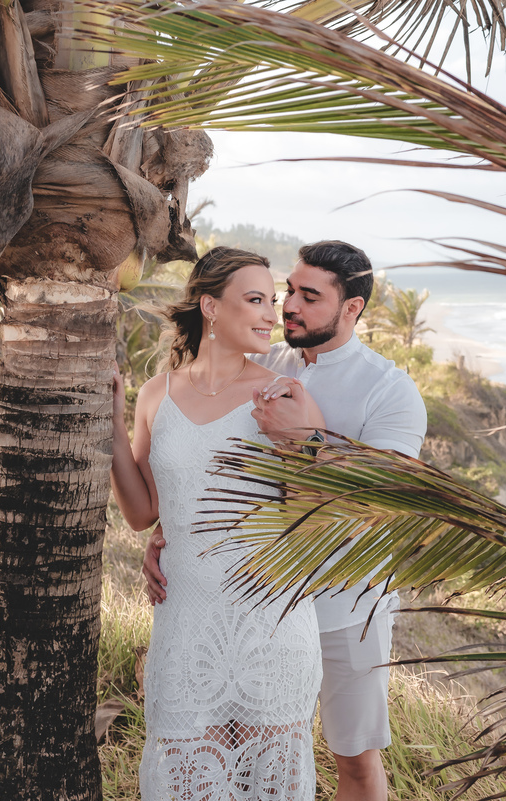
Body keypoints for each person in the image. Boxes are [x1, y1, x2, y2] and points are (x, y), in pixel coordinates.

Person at [143, 240, 428, 801]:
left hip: (348, 604)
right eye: (288, 291)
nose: (289, 306)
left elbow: (383, 501)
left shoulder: (391, 392)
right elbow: (206, 461)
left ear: (352, 309)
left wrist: (307, 442)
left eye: (309, 296)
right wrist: (166, 531)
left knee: (354, 761)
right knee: (238, 757)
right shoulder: (266, 363)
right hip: (253, 605)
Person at [112, 246, 327, 800]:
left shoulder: (284, 396)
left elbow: (315, 516)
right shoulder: (157, 392)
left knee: (268, 785)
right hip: (185, 621)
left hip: (271, 623)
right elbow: (143, 513)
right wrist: (112, 428)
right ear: (210, 306)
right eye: (254, 300)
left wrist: (301, 443)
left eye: (271, 302)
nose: (269, 315)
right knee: (186, 779)